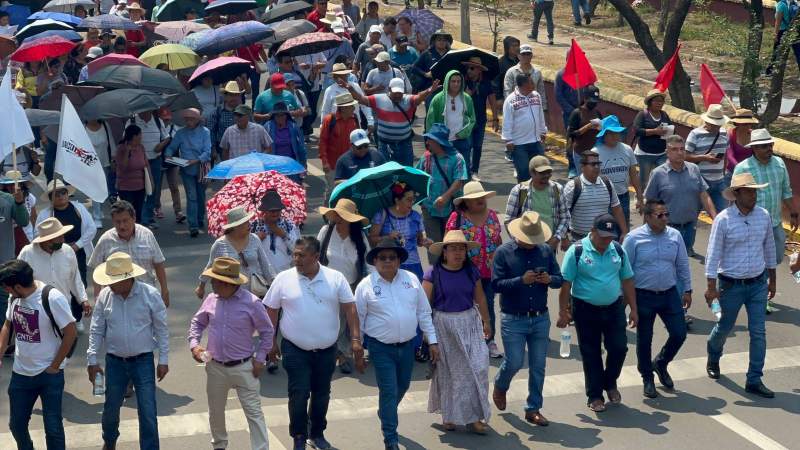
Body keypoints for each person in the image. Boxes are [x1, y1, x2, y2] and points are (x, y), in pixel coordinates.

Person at [263, 236, 362, 450]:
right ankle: (299, 435)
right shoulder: (283, 279)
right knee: (298, 393)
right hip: (295, 349)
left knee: (322, 393)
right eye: (294, 254)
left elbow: (350, 308)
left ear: (316, 257)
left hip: (327, 351)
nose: (296, 259)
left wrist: (355, 340)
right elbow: (270, 309)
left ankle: (317, 433)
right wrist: (269, 341)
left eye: (301, 255)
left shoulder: (335, 278)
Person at [354, 237, 438, 450]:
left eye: (392, 257)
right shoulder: (366, 286)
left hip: (408, 346)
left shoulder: (411, 279)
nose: (388, 261)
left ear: (399, 260)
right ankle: (390, 437)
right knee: (389, 391)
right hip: (380, 348)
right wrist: (358, 350)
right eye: (382, 258)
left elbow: (423, 312)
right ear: (375, 261)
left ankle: (385, 411)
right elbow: (358, 320)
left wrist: (433, 341)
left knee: (403, 386)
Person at [189, 257, 275, 450]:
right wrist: (194, 345)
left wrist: (260, 358)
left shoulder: (252, 302)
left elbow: (267, 332)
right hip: (216, 366)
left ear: (226, 283)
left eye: (214, 280)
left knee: (254, 412)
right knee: (216, 411)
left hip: (245, 367)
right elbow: (197, 323)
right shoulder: (211, 300)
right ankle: (219, 445)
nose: (211, 284)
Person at [87, 252, 169, 450]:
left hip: (143, 361)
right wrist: (92, 360)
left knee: (148, 410)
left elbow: (161, 328)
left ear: (128, 279)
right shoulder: (105, 296)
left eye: (113, 282)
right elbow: (96, 329)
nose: (110, 286)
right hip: (115, 362)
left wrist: (164, 359)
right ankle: (110, 439)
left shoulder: (150, 295)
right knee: (110, 409)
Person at [705, 173, 777, 398]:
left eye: (755, 191)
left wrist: (772, 280)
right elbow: (713, 254)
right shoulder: (724, 220)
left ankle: (754, 379)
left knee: (759, 332)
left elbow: (769, 248)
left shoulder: (763, 216)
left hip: (757, 283)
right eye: (748, 191)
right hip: (730, 285)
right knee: (724, 328)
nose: (753, 195)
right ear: (736, 194)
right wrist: (710, 287)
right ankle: (714, 355)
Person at [557, 214, 637, 412]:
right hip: (585, 309)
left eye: (610, 237)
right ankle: (594, 395)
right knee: (591, 352)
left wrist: (634, 309)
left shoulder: (617, 250)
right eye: (602, 237)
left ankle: (609, 383)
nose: (606, 241)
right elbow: (566, 284)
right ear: (592, 231)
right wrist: (562, 312)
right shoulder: (577, 251)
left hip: (614, 307)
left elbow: (627, 279)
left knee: (619, 348)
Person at [492, 211, 562, 425]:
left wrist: (549, 279)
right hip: (513, 318)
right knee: (513, 361)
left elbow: (559, 279)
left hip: (540, 317)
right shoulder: (504, 253)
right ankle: (501, 385)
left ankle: (533, 408)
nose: (532, 244)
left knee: (538, 365)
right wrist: (520, 281)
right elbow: (496, 284)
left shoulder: (545, 251)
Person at [0, 259, 75, 450]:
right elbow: (8, 325)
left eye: (8, 288)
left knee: (53, 428)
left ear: (18, 286)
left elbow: (71, 332)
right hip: (21, 374)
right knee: (16, 425)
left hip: (49, 374)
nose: (6, 292)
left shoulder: (52, 298)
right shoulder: (15, 298)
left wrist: (55, 366)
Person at [422, 230, 490, 434]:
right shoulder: (433, 273)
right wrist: (428, 335)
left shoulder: (471, 271)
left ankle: (476, 416)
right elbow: (424, 306)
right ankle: (449, 414)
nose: (458, 253)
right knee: (451, 374)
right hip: (444, 325)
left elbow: (480, 297)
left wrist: (486, 321)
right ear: (444, 252)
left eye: (461, 249)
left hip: (469, 322)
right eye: (453, 249)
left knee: (479, 369)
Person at [622, 200, 691, 398]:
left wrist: (687, 289)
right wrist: (626, 301)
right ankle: (647, 377)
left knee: (679, 333)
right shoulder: (634, 239)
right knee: (645, 339)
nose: (665, 219)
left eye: (666, 214)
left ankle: (661, 362)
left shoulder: (675, 236)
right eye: (660, 215)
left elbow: (682, 265)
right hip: (643, 295)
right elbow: (625, 271)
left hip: (669, 294)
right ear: (647, 216)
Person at [732, 128, 798, 313]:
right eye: (764, 146)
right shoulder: (743, 168)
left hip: (775, 223)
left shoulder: (779, 164)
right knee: (760, 261)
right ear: (754, 148)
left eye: (770, 145)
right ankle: (761, 296)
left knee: (775, 258)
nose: (769, 149)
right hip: (752, 225)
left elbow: (786, 190)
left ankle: (758, 290)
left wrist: (793, 212)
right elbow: (736, 198)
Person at [445, 182, 503, 358]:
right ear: (466, 202)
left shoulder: (493, 216)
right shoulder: (457, 218)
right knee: (466, 306)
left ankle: (489, 340)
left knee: (488, 304)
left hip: (489, 271)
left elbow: (498, 240)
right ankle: (467, 341)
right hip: (465, 271)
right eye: (475, 199)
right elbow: (448, 243)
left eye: (482, 198)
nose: (480, 201)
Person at [317, 199, 371, 374]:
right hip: (328, 285)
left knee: (348, 322)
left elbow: (368, 261)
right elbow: (315, 255)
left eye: (341, 220)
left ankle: (344, 354)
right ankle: (333, 352)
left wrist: (370, 282)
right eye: (336, 220)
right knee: (331, 320)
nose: (337, 224)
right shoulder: (326, 231)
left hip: (351, 285)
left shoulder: (360, 237)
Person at [644, 135, 717, 257]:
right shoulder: (657, 173)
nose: (679, 152)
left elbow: (704, 195)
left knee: (684, 264)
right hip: (667, 229)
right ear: (667, 152)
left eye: (682, 149)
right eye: (674, 149)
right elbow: (650, 203)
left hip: (690, 228)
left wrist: (715, 218)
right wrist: (647, 230)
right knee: (667, 262)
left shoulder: (694, 169)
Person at [88, 200, 169, 306]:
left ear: (134, 218)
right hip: (117, 299)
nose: (122, 226)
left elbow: (158, 264)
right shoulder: (105, 240)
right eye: (118, 222)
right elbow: (97, 270)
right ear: (113, 221)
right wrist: (98, 298)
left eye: (125, 221)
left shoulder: (147, 235)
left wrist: (164, 290)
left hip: (146, 297)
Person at [346, 77, 440, 166]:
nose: (398, 95)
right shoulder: (379, 99)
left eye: (400, 92)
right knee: (386, 173)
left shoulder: (408, 99)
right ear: (389, 89)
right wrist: (351, 89)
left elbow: (419, 97)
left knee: (406, 173)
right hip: (385, 145)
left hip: (404, 145)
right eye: (395, 92)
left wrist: (429, 90)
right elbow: (361, 99)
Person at [19, 218, 91, 336]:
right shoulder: (27, 253)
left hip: (63, 308)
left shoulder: (68, 251)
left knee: (65, 345)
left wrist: (83, 299)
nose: (63, 239)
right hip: (36, 311)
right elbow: (17, 282)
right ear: (47, 241)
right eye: (59, 237)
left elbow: (75, 278)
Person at [415, 124, 469, 259]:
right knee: (433, 246)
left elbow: (459, 181)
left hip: (451, 210)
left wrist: (445, 197)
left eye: (430, 140)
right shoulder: (426, 157)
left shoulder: (457, 158)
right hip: (429, 209)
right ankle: (435, 275)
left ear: (438, 142)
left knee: (451, 244)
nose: (427, 142)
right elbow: (417, 176)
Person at [196, 206, 274, 300]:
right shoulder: (220, 244)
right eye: (245, 223)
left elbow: (265, 265)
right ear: (235, 227)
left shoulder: (254, 239)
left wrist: (274, 285)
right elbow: (210, 266)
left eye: (248, 221)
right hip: (230, 292)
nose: (249, 225)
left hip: (254, 291)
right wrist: (201, 286)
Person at [37, 180, 96, 289]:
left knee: (80, 283)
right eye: (56, 194)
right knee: (61, 284)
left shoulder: (79, 208)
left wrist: (77, 246)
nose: (60, 196)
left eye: (63, 193)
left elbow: (91, 228)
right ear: (50, 198)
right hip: (55, 253)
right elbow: (38, 235)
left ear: (67, 194)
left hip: (78, 251)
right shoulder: (44, 214)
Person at [504, 156, 569, 252]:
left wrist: (557, 237)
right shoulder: (519, 191)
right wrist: (519, 240)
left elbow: (565, 217)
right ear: (532, 173)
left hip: (549, 245)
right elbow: (508, 220)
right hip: (524, 246)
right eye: (542, 173)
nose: (546, 176)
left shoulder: (558, 189)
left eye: (548, 172)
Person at [562, 150, 627, 245]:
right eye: (593, 164)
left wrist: (624, 232)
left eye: (598, 164)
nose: (596, 167)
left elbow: (616, 208)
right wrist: (564, 238)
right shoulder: (573, 186)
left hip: (604, 238)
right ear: (582, 166)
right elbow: (563, 213)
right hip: (579, 240)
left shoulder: (607, 183)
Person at [164, 108, 212, 238]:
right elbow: (172, 147)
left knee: (201, 196)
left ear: (197, 120)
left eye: (191, 119)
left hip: (201, 168)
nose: (189, 121)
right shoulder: (180, 133)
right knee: (191, 197)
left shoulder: (205, 132)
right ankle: (193, 226)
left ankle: (199, 219)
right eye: (187, 119)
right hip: (186, 169)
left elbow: (207, 152)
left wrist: (196, 160)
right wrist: (168, 155)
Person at [368, 181, 430, 279]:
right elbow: (372, 239)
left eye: (413, 199)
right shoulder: (382, 214)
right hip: (390, 264)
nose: (412, 202)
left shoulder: (416, 216)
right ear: (397, 200)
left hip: (413, 264)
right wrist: (387, 237)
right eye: (409, 199)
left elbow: (419, 241)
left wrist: (426, 242)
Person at [593, 115, 642, 226]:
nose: (615, 136)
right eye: (611, 133)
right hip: (604, 198)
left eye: (617, 133)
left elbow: (634, 175)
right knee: (605, 231)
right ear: (604, 135)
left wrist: (639, 196)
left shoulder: (627, 149)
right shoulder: (595, 152)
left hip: (623, 197)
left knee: (623, 230)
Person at [425, 70, 476, 174]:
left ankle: (462, 190)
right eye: (453, 81)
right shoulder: (438, 99)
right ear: (447, 82)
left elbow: (472, 119)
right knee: (445, 172)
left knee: (463, 172)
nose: (456, 84)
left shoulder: (467, 98)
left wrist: (463, 133)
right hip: (443, 142)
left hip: (462, 141)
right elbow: (430, 121)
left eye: (458, 81)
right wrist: (431, 140)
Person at [502, 73, 548, 182]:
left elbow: (540, 114)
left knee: (541, 170)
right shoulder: (510, 100)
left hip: (536, 141)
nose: (533, 84)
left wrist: (543, 131)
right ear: (523, 85)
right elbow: (507, 121)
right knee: (524, 174)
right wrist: (508, 140)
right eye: (531, 82)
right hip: (519, 144)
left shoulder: (536, 95)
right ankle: (523, 197)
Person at [685, 103, 730, 214]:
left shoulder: (724, 133)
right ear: (707, 122)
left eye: (718, 125)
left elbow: (726, 156)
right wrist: (704, 158)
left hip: (719, 180)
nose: (716, 128)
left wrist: (724, 172)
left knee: (722, 215)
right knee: (693, 213)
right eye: (714, 125)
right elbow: (685, 156)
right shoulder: (695, 134)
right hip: (700, 180)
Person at [320, 92, 361, 201]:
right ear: (343, 108)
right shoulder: (329, 120)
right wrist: (325, 162)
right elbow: (323, 142)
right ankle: (328, 214)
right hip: (333, 165)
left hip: (351, 163)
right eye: (351, 106)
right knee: (332, 191)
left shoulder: (355, 119)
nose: (353, 108)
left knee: (350, 190)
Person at [463, 56, 499, 180]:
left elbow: (492, 99)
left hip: (480, 119)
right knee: (467, 145)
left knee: (478, 146)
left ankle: (474, 171)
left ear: (479, 70)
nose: (469, 71)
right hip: (466, 120)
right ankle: (465, 171)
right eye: (468, 68)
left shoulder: (486, 82)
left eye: (472, 68)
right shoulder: (462, 81)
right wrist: (467, 95)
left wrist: (495, 118)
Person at [252, 190, 301, 275]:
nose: (275, 213)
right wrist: (257, 239)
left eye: (278, 210)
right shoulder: (254, 227)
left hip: (285, 273)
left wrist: (284, 235)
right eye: (271, 210)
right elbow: (248, 251)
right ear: (265, 210)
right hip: (263, 274)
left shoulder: (289, 226)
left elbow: (298, 250)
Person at [631, 89, 673, 188]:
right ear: (650, 102)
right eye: (657, 101)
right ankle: (640, 198)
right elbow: (637, 131)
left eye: (661, 101)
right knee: (644, 180)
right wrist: (654, 131)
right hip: (645, 154)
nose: (659, 103)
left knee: (662, 177)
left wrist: (669, 132)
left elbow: (672, 128)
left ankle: (656, 199)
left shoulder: (664, 115)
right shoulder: (643, 114)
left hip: (661, 153)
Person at [320, 63, 374, 130]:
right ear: (334, 77)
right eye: (337, 76)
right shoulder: (329, 90)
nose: (340, 78)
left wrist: (370, 121)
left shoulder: (355, 87)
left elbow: (364, 105)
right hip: (336, 128)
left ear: (346, 75)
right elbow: (325, 110)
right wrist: (323, 126)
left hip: (355, 125)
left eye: (342, 75)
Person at [85, 118, 118, 224]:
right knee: (95, 188)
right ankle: (97, 216)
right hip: (89, 163)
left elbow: (111, 141)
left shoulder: (105, 125)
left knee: (103, 188)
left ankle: (99, 208)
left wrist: (113, 158)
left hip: (104, 161)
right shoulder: (83, 127)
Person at [263, 102, 307, 179]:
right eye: (277, 115)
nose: (280, 117)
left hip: (291, 165)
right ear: (273, 116)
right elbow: (263, 146)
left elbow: (301, 148)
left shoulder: (294, 127)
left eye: (282, 115)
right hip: (273, 166)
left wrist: (303, 167)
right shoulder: (268, 127)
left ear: (286, 115)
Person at [114, 124, 149, 223]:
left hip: (140, 186)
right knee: (128, 212)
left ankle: (138, 231)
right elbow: (122, 167)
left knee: (139, 211)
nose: (141, 136)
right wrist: (127, 152)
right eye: (140, 134)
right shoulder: (121, 148)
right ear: (134, 136)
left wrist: (151, 181)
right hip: (126, 187)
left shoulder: (141, 147)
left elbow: (146, 164)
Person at [503, 44, 548, 115]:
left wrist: (543, 108)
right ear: (518, 56)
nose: (526, 56)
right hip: (517, 108)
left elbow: (541, 91)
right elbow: (507, 91)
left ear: (531, 55)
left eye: (528, 54)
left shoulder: (537, 73)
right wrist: (509, 108)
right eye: (523, 54)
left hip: (534, 108)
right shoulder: (511, 72)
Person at [567, 85, 603, 170]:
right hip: (581, 153)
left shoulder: (597, 113)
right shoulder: (577, 113)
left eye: (595, 101)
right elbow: (571, 134)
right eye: (591, 101)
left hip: (595, 153)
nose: (594, 103)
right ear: (585, 99)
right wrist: (588, 126)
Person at [211, 81, 245, 161]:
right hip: (222, 151)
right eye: (231, 95)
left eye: (236, 95)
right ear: (225, 96)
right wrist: (213, 150)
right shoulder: (217, 112)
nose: (234, 98)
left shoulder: (245, 112)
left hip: (242, 150)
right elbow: (211, 132)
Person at [766, 0, 800, 75]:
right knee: (798, 52)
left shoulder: (781, 5)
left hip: (782, 31)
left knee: (776, 51)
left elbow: (778, 22)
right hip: (792, 31)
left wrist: (775, 34)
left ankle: (769, 71)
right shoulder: (792, 4)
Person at [411, 29, 450, 95]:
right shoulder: (427, 53)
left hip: (448, 87)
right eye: (439, 40)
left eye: (444, 40)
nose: (442, 42)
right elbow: (414, 67)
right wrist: (425, 74)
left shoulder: (451, 54)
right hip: (430, 88)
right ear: (434, 41)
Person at [726, 108, 758, 186]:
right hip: (733, 172)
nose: (748, 126)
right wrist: (741, 168)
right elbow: (730, 155)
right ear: (738, 123)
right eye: (745, 124)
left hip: (750, 172)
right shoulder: (730, 134)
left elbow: (756, 154)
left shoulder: (753, 135)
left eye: (749, 123)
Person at [494, 36, 520, 102]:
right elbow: (496, 82)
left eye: (517, 45)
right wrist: (498, 98)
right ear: (507, 48)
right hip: (506, 98)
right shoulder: (501, 63)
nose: (516, 48)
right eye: (513, 46)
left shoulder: (521, 61)